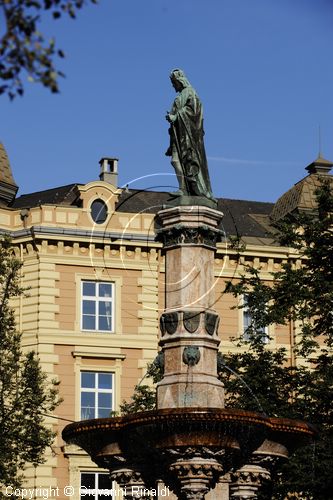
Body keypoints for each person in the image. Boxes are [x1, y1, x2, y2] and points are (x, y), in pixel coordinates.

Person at [165, 69, 215, 200]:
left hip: (188, 138)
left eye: (173, 82)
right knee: (175, 161)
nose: (173, 85)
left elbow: (194, 112)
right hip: (178, 135)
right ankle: (182, 189)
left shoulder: (191, 92)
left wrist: (176, 117)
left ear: (179, 81)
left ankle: (189, 189)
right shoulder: (181, 94)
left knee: (186, 162)